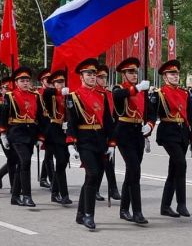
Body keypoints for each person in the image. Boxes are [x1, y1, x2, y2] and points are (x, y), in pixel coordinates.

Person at [65, 58, 115, 230]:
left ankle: (80, 214)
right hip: (84, 139)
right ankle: (89, 215)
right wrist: (71, 144)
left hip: (100, 140)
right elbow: (71, 122)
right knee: (92, 174)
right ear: (81, 76)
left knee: (92, 178)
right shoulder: (74, 97)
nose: (92, 77)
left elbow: (108, 121)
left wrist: (112, 143)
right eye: (88, 74)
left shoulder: (102, 96)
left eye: (94, 74)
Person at [112, 57, 156, 224]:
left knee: (132, 172)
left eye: (135, 72)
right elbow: (118, 96)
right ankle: (137, 211)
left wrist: (150, 126)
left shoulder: (143, 92)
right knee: (135, 170)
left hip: (138, 133)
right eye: (130, 72)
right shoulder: (119, 88)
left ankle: (124, 209)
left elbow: (151, 113)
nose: (134, 74)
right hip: (124, 133)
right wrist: (136, 88)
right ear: (123, 74)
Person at [154, 60, 192, 218]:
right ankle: (181, 203)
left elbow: (190, 117)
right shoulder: (159, 93)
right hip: (168, 132)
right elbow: (151, 114)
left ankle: (165, 206)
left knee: (174, 170)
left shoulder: (184, 93)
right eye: (172, 74)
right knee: (181, 163)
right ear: (165, 77)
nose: (175, 76)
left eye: (177, 74)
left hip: (183, 133)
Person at [0, 66, 45, 207]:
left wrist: (40, 137)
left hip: (30, 133)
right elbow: (3, 116)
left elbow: (40, 118)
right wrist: (3, 134)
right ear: (16, 82)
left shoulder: (35, 96)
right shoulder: (10, 96)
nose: (25, 83)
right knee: (25, 161)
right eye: (22, 80)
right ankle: (26, 195)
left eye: (27, 80)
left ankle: (15, 196)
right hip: (16, 132)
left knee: (22, 164)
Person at [42, 70, 73, 205]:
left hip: (65, 132)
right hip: (53, 131)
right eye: (58, 82)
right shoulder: (51, 94)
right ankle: (64, 194)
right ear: (53, 84)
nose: (61, 84)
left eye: (63, 81)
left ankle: (55, 193)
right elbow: (47, 93)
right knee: (60, 161)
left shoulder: (68, 96)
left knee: (63, 162)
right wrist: (60, 91)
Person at [94, 64, 121, 201]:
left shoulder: (109, 94)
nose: (103, 79)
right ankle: (111, 188)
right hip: (97, 132)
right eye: (100, 77)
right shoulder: (94, 94)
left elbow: (115, 113)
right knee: (102, 163)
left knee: (107, 161)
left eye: (105, 77)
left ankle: (110, 188)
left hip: (109, 131)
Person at [36, 68, 54, 189]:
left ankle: (43, 178)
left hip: (53, 125)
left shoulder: (54, 92)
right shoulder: (38, 94)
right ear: (42, 80)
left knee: (49, 153)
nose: (49, 81)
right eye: (47, 79)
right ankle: (53, 181)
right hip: (42, 126)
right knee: (49, 154)